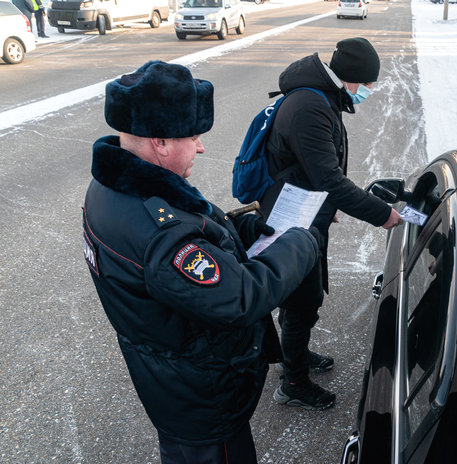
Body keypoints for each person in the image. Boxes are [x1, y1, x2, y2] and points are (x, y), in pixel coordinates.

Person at [82, 60, 321, 463]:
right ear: (159, 140)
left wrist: (237, 231)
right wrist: (302, 241)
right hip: (202, 397)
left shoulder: (112, 185)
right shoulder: (162, 234)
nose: (201, 146)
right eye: (193, 135)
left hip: (170, 380)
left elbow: (190, 230)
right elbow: (240, 297)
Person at [259, 37, 403, 411]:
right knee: (302, 300)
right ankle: (293, 383)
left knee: (303, 298)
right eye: (368, 84)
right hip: (293, 219)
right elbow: (330, 179)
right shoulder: (310, 105)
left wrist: (327, 205)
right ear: (352, 78)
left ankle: (296, 355)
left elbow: (315, 169)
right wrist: (382, 214)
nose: (368, 91)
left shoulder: (320, 97)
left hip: (306, 208)